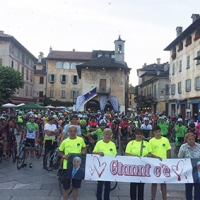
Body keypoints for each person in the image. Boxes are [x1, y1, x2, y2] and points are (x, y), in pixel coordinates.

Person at [58, 125, 86, 200]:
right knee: (65, 187)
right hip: (66, 166)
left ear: (77, 131)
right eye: (71, 131)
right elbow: (59, 152)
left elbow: (84, 147)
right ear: (68, 132)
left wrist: (83, 152)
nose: (73, 133)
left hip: (77, 167)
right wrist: (64, 156)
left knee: (75, 187)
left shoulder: (80, 140)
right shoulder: (65, 141)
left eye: (74, 131)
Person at [125, 128, 150, 200]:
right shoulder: (131, 143)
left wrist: (145, 157)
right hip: (133, 168)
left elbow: (150, 153)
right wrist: (135, 157)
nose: (139, 135)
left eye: (141, 134)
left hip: (143, 168)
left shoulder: (146, 143)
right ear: (135, 135)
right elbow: (127, 154)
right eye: (138, 134)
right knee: (133, 186)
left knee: (141, 186)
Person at [93, 128, 117, 200]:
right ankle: (99, 198)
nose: (108, 136)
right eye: (106, 134)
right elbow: (93, 152)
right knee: (100, 185)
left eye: (109, 135)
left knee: (108, 185)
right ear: (103, 135)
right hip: (100, 168)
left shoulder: (112, 144)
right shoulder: (99, 143)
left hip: (109, 168)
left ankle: (107, 198)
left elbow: (115, 155)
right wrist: (99, 153)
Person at [149, 125, 171, 200]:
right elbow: (149, 153)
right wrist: (156, 157)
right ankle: (153, 198)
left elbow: (168, 150)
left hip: (164, 163)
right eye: (156, 132)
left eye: (159, 131)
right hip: (154, 163)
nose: (158, 133)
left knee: (163, 182)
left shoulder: (165, 140)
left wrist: (167, 160)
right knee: (154, 182)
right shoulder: (151, 141)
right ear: (153, 133)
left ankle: (164, 198)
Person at [178, 132, 200, 200]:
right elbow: (180, 158)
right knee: (188, 189)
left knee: (198, 189)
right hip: (188, 171)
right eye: (189, 139)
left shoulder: (199, 146)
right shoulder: (183, 147)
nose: (191, 140)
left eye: (193, 139)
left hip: (198, 170)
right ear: (186, 139)